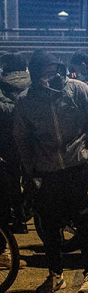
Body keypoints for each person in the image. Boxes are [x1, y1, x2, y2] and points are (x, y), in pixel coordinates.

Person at [13, 50, 88, 293]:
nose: (49, 77)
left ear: (59, 69)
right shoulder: (26, 101)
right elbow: (22, 139)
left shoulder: (78, 90)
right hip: (47, 172)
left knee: (84, 220)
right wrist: (30, 169)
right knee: (50, 226)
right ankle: (55, 275)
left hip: (77, 167)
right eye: (42, 73)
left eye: (52, 71)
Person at [0, 53, 31, 233]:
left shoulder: (2, 86)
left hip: (7, 140)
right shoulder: (35, 84)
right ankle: (26, 214)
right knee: (31, 178)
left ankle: (17, 218)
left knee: (10, 181)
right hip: (33, 140)